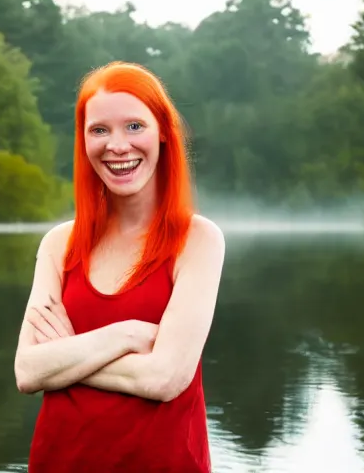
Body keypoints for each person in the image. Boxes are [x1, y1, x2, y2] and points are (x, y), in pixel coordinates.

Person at [13, 61, 226, 473]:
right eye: (99, 130)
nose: (117, 146)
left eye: (134, 126)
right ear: (84, 140)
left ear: (163, 132)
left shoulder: (198, 240)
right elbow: (26, 370)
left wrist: (66, 356)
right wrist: (126, 335)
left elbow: (163, 380)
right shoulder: (59, 245)